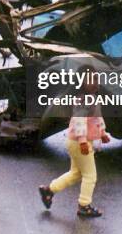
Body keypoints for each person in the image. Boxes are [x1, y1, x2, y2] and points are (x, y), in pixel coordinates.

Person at [38, 67, 110, 218]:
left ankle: (49, 190)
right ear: (81, 83)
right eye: (90, 80)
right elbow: (79, 121)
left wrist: (102, 133)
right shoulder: (82, 99)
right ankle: (84, 205)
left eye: (96, 79)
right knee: (90, 175)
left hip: (76, 141)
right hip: (79, 142)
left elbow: (97, 119)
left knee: (76, 173)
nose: (94, 83)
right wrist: (83, 141)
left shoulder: (93, 98)